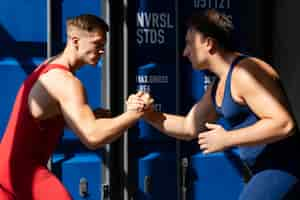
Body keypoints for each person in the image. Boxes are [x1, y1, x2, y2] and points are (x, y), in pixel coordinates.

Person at [132, 9, 300, 199]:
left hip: (284, 168)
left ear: (209, 43)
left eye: (189, 44)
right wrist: (148, 114)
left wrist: (227, 138)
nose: (185, 52)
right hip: (262, 171)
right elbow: (188, 127)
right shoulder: (218, 84)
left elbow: (284, 124)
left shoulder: (245, 73)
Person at [0, 14, 153, 200]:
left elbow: (39, 118)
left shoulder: (48, 66)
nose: (102, 50)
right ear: (75, 41)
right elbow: (93, 136)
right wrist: (134, 114)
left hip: (8, 171)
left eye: (103, 45)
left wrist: (76, 118)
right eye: (97, 44)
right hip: (24, 172)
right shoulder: (66, 82)